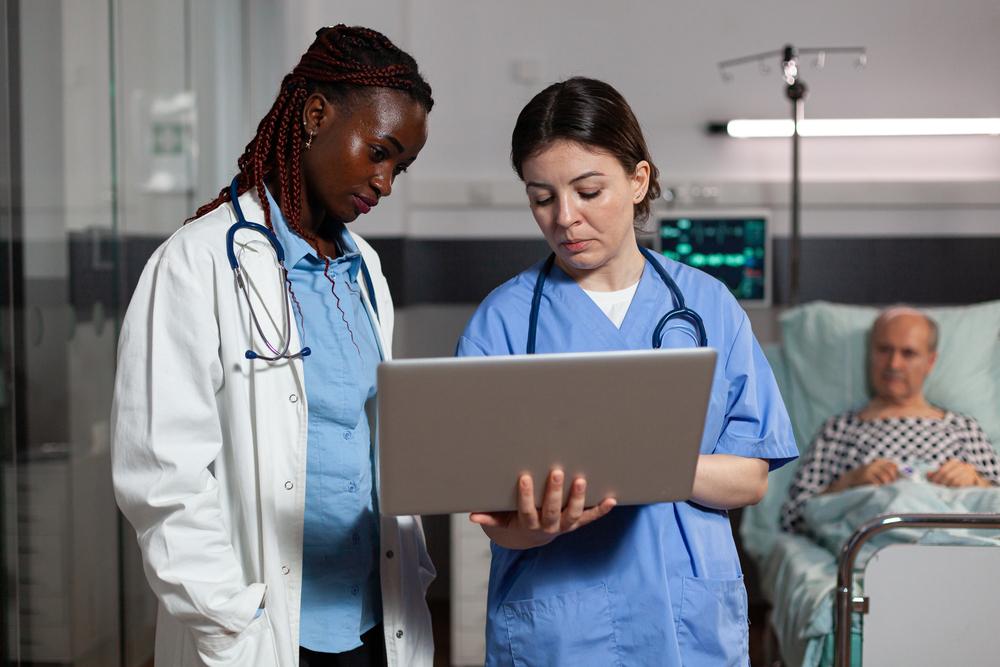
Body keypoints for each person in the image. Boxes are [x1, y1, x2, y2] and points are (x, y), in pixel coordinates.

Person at [111, 26, 436, 667]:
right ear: (316, 114)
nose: (386, 181)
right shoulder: (197, 261)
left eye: (400, 166)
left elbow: (370, 441)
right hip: (262, 629)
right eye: (378, 151)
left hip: (375, 618)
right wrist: (231, 626)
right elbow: (162, 479)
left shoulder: (364, 269)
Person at [455, 77, 798, 666]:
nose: (566, 218)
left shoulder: (708, 306)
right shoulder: (504, 322)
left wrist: (647, 463)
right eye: (542, 198)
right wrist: (542, 525)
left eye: (589, 191)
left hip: (687, 621)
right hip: (560, 632)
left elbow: (751, 478)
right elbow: (496, 522)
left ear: (638, 181)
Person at [782, 307, 1000, 532]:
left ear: (930, 361)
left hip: (955, 534)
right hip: (876, 537)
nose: (894, 364)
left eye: (908, 353)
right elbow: (795, 515)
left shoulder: (962, 428)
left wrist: (976, 482)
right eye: (884, 350)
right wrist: (850, 482)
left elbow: (995, 502)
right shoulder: (840, 429)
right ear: (870, 353)